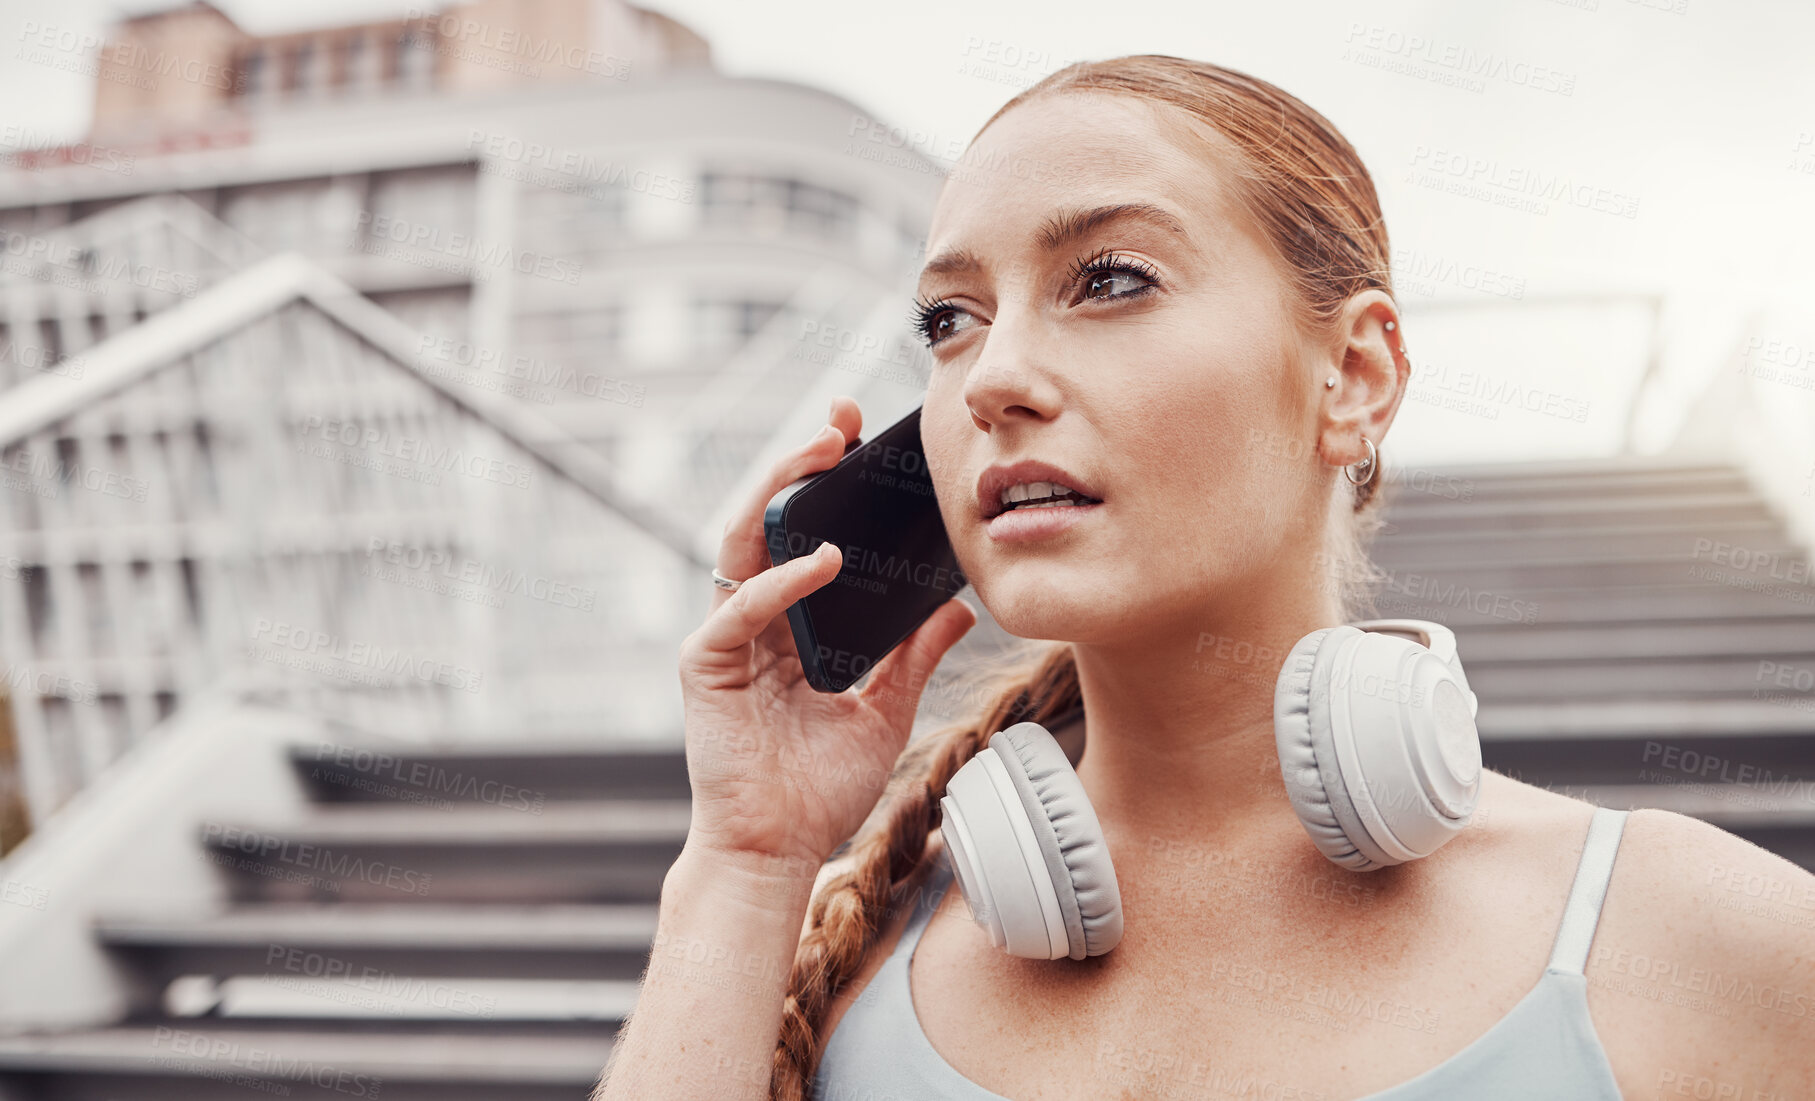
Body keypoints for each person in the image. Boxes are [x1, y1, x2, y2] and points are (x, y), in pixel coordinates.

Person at [595, 55, 1815, 1101]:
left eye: (1111, 279)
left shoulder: (1706, 941)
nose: (989, 377)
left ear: (1354, 378)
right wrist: (748, 859)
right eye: (951, 318)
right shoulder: (832, 958)